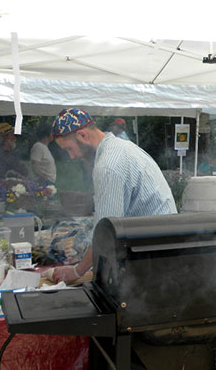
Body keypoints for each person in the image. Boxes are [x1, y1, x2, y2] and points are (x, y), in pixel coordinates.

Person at [51, 108, 177, 284]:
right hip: (162, 248)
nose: (71, 157)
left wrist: (77, 271)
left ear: (83, 136)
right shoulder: (123, 147)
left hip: (151, 260)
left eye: (69, 149)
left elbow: (106, 235)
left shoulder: (108, 166)